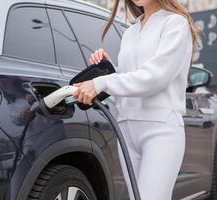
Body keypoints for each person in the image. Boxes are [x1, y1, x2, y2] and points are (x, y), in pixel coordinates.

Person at [72, 0, 201, 199]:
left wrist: (102, 82)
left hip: (160, 130)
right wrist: (107, 66)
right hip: (127, 129)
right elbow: (129, 78)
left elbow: (156, 77)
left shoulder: (175, 23)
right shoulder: (130, 32)